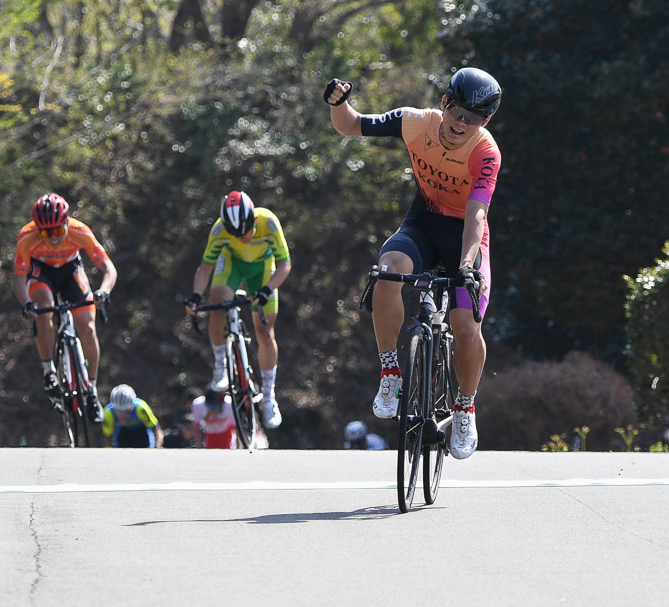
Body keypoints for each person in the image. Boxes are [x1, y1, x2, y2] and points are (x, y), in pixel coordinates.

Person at [325, 68, 502, 460]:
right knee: (387, 272)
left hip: (465, 239)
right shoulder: (414, 122)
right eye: (457, 113)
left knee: (466, 327)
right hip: (423, 223)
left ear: (485, 122)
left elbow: (476, 216)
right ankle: (390, 372)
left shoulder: (485, 152)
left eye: (473, 119)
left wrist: (468, 267)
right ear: (445, 104)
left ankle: (465, 407)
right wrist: (339, 103)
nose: (461, 124)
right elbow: (351, 125)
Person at [183, 190, 290, 430]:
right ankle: (221, 366)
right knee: (217, 302)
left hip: (263, 268)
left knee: (264, 331)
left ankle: (269, 397)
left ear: (252, 218)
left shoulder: (268, 221)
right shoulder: (219, 230)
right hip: (232, 265)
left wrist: (267, 289)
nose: (243, 236)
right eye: (236, 233)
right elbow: (205, 268)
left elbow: (285, 265)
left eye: (246, 230)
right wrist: (194, 297)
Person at [15, 193, 117, 423]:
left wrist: (104, 291)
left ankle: (91, 389)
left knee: (88, 329)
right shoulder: (27, 236)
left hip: (71, 270)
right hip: (41, 273)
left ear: (66, 223)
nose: (52, 238)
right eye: (45, 233)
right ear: (37, 229)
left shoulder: (80, 230)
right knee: (43, 309)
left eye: (58, 232)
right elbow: (19, 279)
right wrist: (26, 303)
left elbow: (109, 269)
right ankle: (48, 370)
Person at [190, 384, 237, 449]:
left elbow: (236, 429)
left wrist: (240, 447)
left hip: (226, 434)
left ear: (222, 403)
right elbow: (195, 428)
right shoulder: (198, 405)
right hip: (209, 435)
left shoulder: (230, 405)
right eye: (209, 406)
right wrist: (199, 446)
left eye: (215, 407)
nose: (212, 410)